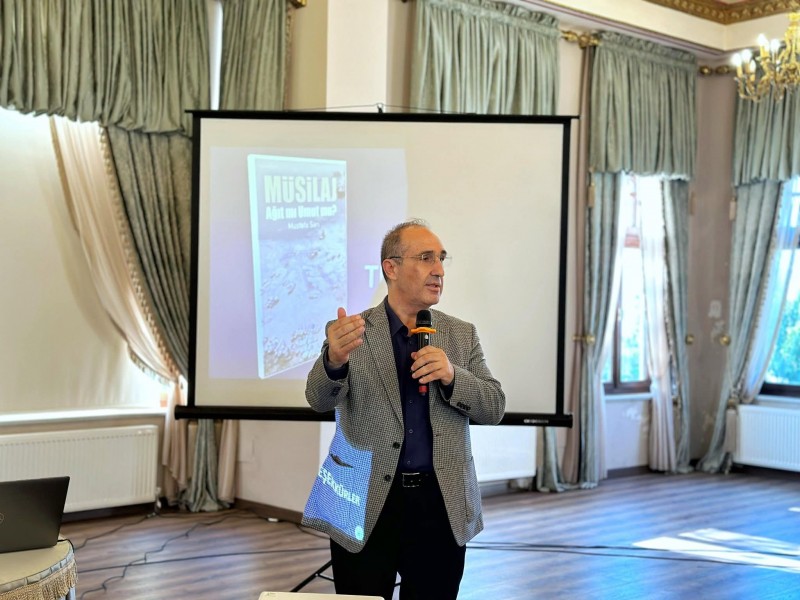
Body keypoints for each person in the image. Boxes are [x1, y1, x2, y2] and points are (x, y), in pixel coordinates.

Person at [302, 219, 505, 600]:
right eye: (426, 258)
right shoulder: (352, 331)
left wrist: (452, 376)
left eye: (441, 259)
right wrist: (334, 360)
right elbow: (318, 398)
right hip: (364, 501)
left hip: (440, 504)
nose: (439, 269)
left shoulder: (462, 334)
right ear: (391, 268)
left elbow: (494, 407)